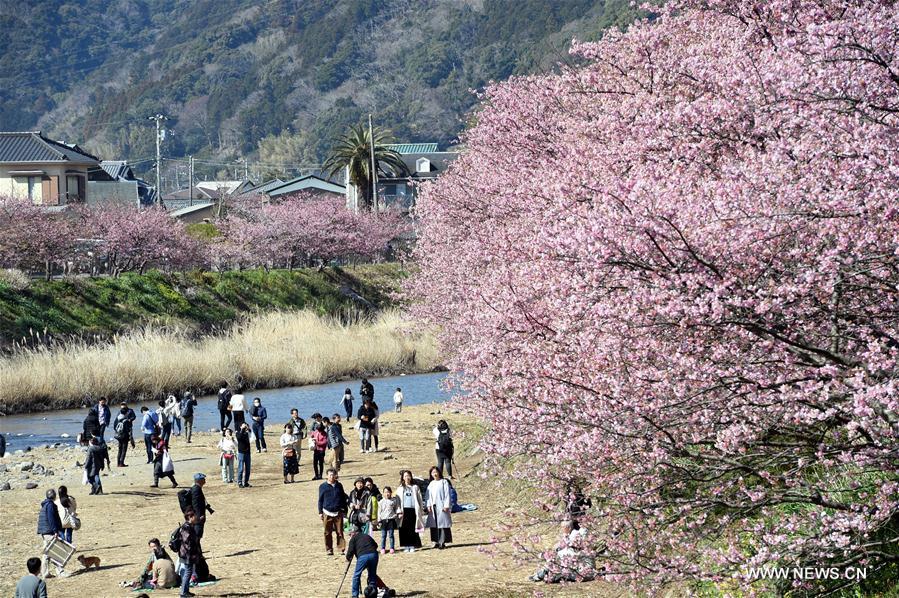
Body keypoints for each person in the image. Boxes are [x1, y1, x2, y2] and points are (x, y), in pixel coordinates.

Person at [528, 520, 597, 583]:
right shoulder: (571, 536)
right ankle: (542, 574)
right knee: (557, 568)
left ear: (568, 528)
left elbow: (567, 554)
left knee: (558, 569)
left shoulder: (576, 538)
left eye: (563, 527)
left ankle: (541, 575)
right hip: (580, 569)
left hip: (584, 572)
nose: (562, 529)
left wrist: (551, 555)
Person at [37, 489, 67, 578]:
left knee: (47, 552)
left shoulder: (45, 505)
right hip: (49, 531)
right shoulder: (50, 505)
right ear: (54, 496)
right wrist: (55, 531)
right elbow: (51, 519)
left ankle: (45, 572)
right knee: (55, 551)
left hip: (45, 531)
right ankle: (60, 572)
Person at [318, 468, 348, 556]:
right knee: (327, 532)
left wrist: (345, 510)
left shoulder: (339, 485)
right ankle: (329, 549)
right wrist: (320, 512)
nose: (331, 476)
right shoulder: (322, 486)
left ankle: (341, 548)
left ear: (335, 475)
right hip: (327, 512)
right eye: (330, 475)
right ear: (327, 476)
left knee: (340, 532)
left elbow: (343, 498)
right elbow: (320, 500)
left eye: (333, 475)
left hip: (338, 512)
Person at [345, 523, 380, 598]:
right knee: (372, 574)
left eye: (350, 534)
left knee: (356, 575)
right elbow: (376, 545)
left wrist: (348, 558)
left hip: (363, 556)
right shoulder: (366, 535)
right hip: (374, 555)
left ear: (354, 533)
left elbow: (350, 552)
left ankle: (355, 595)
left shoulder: (353, 539)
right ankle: (372, 593)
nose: (350, 536)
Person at [397, 470, 425, 552]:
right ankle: (406, 545)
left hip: (413, 510)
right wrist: (398, 511)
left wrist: (421, 509)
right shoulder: (400, 488)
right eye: (405, 476)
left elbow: (420, 499)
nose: (407, 477)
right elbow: (398, 501)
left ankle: (412, 545)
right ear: (403, 478)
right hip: (403, 510)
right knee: (404, 528)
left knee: (412, 528)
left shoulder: (415, 487)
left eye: (408, 476)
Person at [426, 465, 453, 549]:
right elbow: (427, 496)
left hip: (441, 506)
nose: (435, 474)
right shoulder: (431, 484)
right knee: (434, 525)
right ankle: (436, 541)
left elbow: (447, 494)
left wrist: (446, 505)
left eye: (436, 472)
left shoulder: (444, 482)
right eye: (433, 472)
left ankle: (442, 541)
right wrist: (428, 505)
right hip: (433, 507)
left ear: (439, 473)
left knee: (442, 524)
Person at [177, 509, 201, 598]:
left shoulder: (189, 526)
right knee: (187, 572)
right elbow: (187, 541)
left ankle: (186, 591)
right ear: (190, 517)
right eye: (195, 516)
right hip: (187, 554)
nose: (196, 517)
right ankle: (183, 592)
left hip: (188, 554)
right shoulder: (186, 527)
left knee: (189, 572)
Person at [189, 473, 214, 543]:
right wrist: (199, 515)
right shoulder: (196, 490)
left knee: (198, 534)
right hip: (198, 517)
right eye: (203, 479)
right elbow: (196, 504)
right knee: (197, 534)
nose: (204, 480)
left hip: (198, 515)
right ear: (199, 480)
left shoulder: (197, 488)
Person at [378, 486, 401, 554]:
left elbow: (397, 508)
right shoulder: (381, 502)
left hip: (391, 519)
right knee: (383, 535)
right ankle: (383, 548)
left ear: (391, 493)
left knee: (391, 535)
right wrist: (379, 520)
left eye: (388, 492)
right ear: (383, 493)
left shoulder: (393, 501)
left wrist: (399, 513)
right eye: (385, 492)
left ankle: (392, 548)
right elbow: (379, 512)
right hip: (383, 520)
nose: (387, 494)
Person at [113, 401, 136, 467]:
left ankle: (118, 463)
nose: (122, 406)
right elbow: (127, 428)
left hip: (118, 435)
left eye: (123, 404)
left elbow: (114, 426)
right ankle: (121, 463)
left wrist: (117, 431)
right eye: (122, 405)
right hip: (124, 434)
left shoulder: (118, 417)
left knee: (120, 449)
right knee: (123, 449)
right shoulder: (125, 419)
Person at [234, 422, 252, 488]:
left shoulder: (247, 433)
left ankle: (246, 482)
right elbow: (239, 438)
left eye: (246, 425)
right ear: (240, 426)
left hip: (248, 453)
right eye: (244, 425)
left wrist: (248, 429)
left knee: (248, 469)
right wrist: (242, 429)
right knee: (241, 469)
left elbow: (252, 437)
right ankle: (239, 482)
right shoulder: (238, 433)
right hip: (241, 453)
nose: (245, 427)